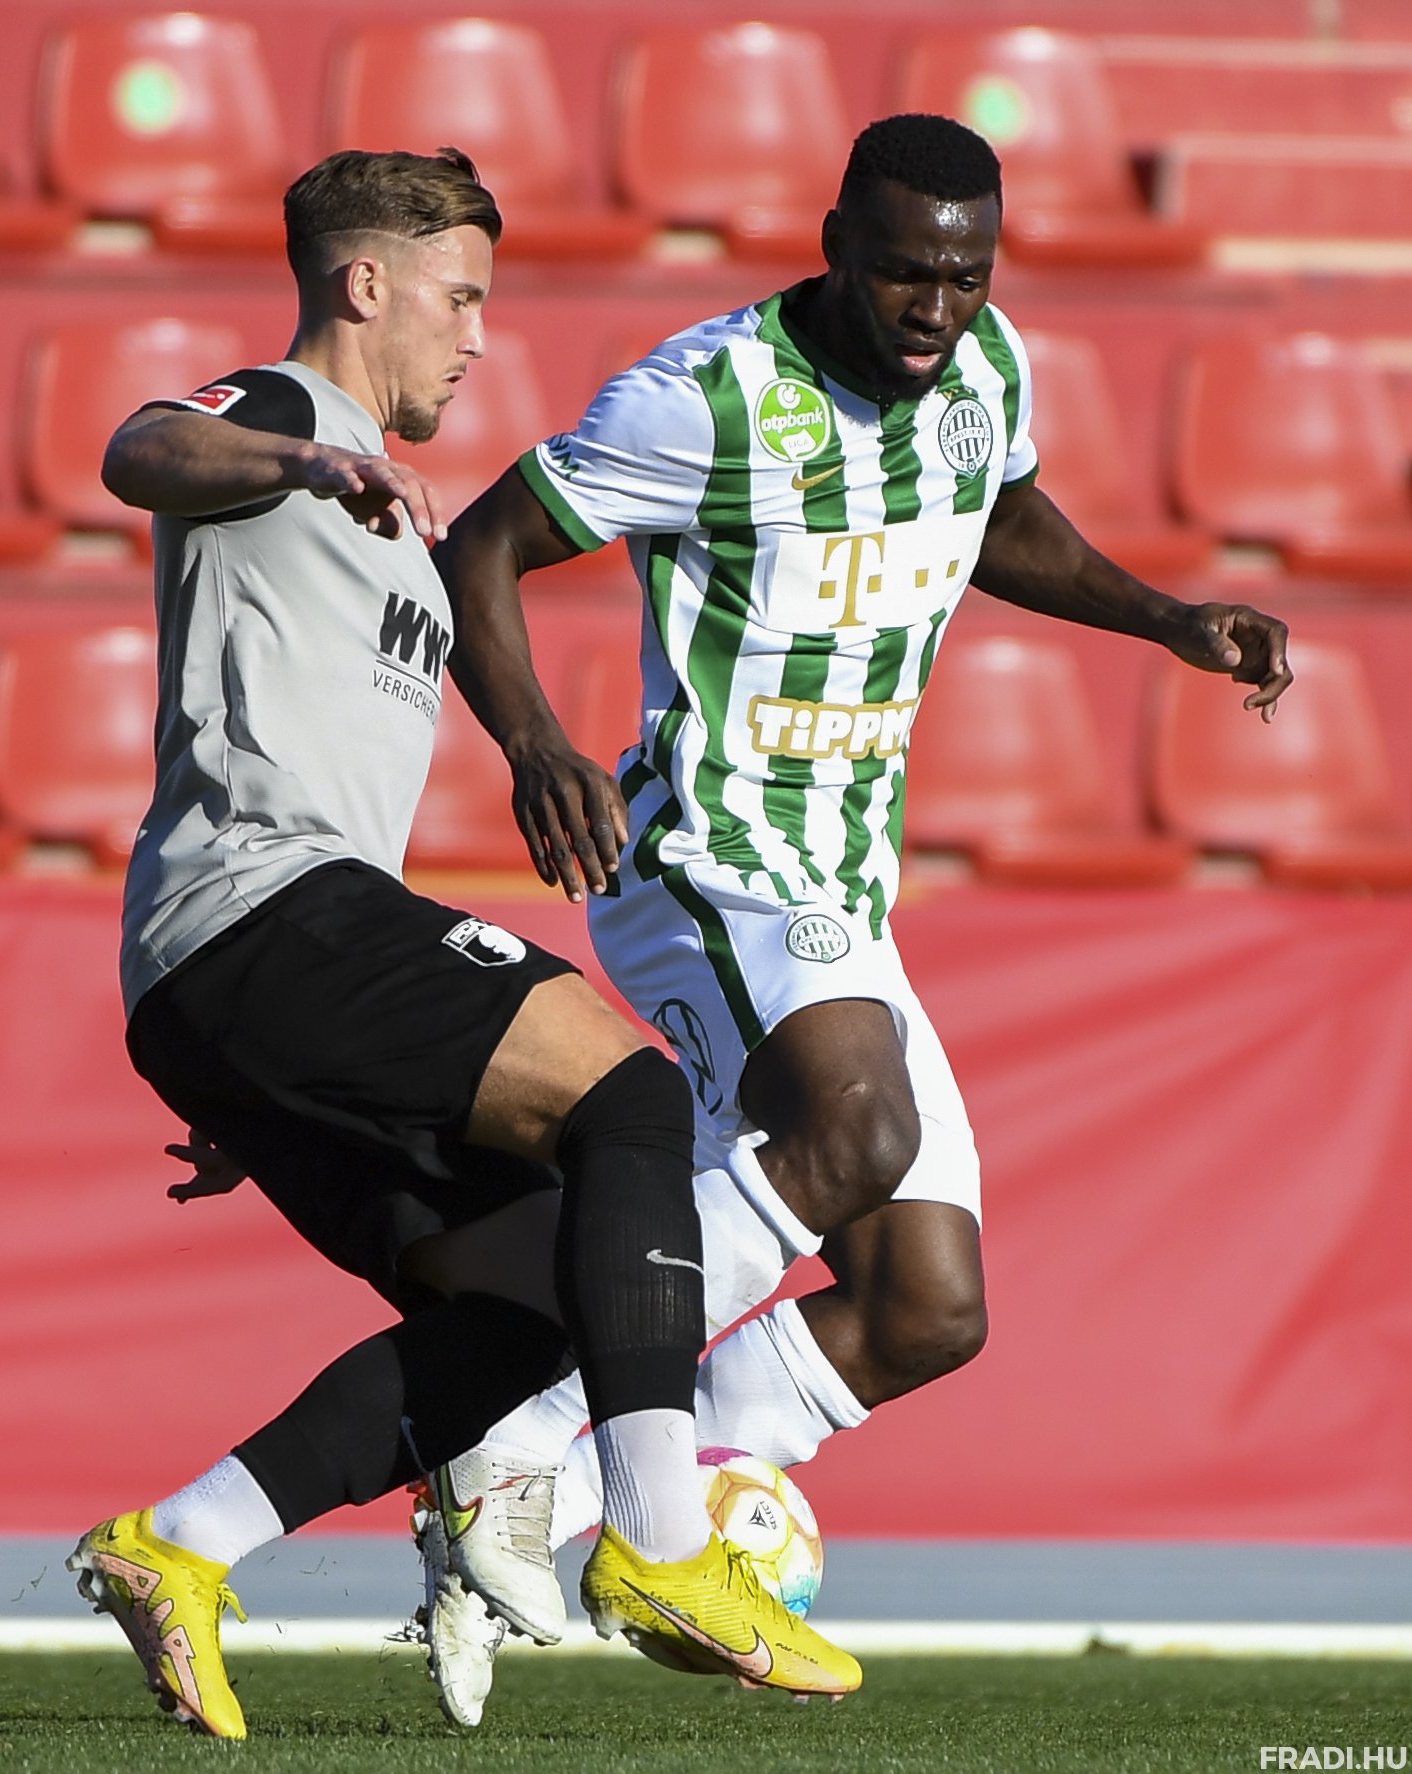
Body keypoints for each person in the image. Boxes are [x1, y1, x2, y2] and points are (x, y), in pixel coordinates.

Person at [413, 112, 1294, 1724]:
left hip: (844, 881)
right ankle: (519, 1451)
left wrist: (1166, 616)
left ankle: (570, 1492)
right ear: (834, 245)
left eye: (964, 277)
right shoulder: (707, 397)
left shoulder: (983, 371)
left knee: (926, 1305)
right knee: (857, 1125)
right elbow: (482, 543)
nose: (934, 309)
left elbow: (997, 519)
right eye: (902, 274)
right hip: (707, 853)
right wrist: (535, 747)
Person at [64, 145, 862, 1741]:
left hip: (249, 976)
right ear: (365, 283)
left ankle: (180, 1543)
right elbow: (138, 446)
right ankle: (659, 1543)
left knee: (551, 1298)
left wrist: (257, 1064)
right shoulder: (281, 418)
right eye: (459, 297)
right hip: (265, 907)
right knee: (630, 1099)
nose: (477, 336)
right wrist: (297, 462)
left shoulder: (376, 490)